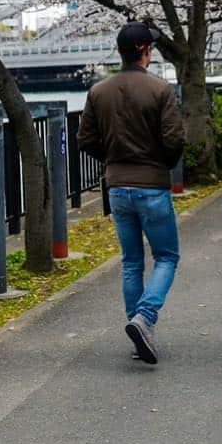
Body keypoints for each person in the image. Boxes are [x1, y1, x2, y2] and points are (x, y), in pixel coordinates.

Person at [77, 21, 185, 365]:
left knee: (132, 261)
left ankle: (138, 333)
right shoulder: (160, 90)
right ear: (144, 51)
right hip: (151, 184)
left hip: (117, 186)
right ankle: (145, 318)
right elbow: (174, 141)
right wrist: (160, 164)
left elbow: (85, 140)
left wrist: (112, 160)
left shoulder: (99, 91)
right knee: (166, 256)